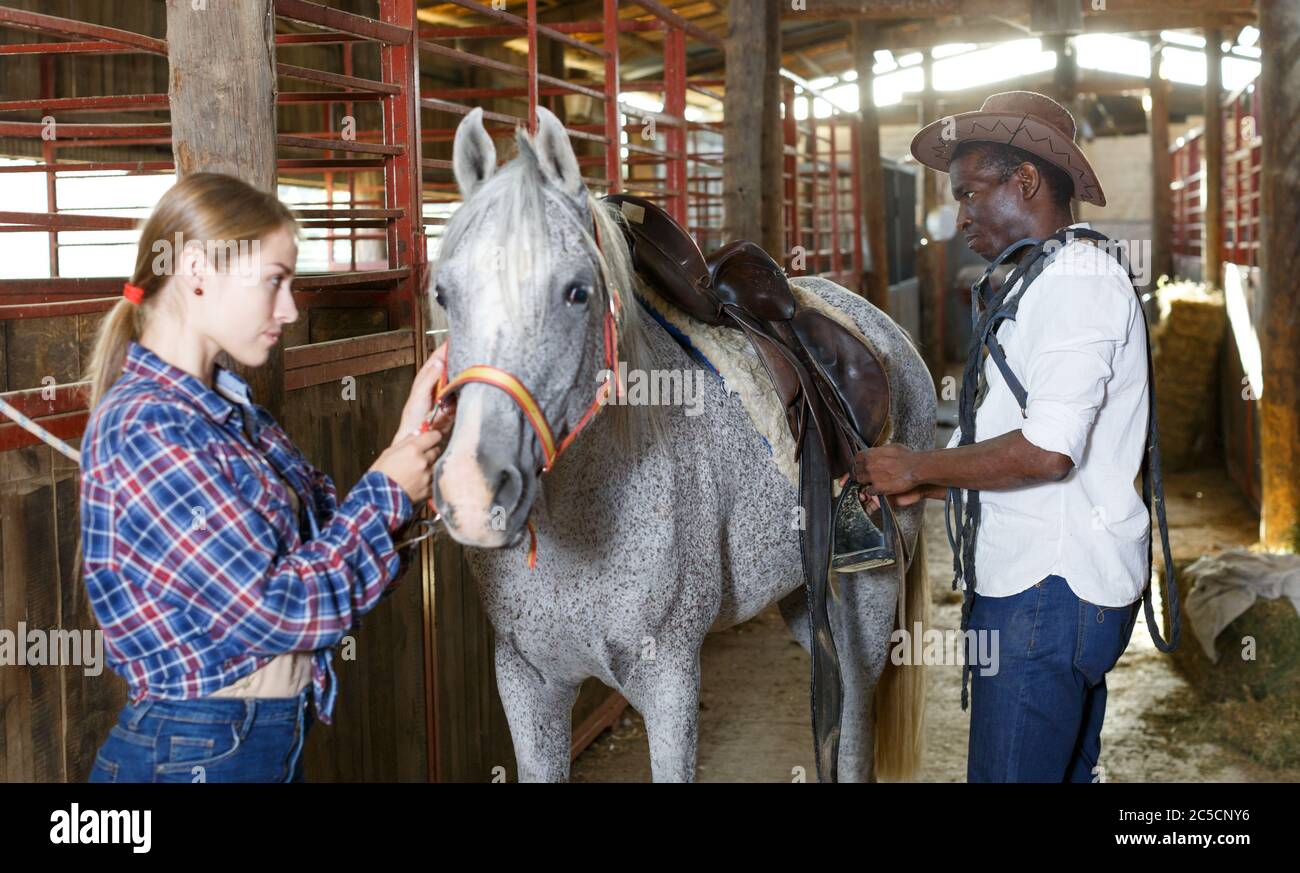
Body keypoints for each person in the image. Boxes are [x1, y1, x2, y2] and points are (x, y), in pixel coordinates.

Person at [79, 172, 454, 782]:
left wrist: (408, 450)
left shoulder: (228, 413)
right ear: (197, 270)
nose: (290, 308)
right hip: (196, 753)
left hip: (249, 740)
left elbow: (324, 562)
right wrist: (388, 490)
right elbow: (274, 609)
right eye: (275, 282)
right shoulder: (148, 427)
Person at [856, 91, 1148, 782]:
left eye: (970, 193)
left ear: (1026, 182)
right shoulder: (1047, 277)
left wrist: (917, 464)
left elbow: (1047, 449)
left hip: (1046, 588)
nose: (960, 216)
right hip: (1046, 581)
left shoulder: (1076, 281)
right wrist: (924, 481)